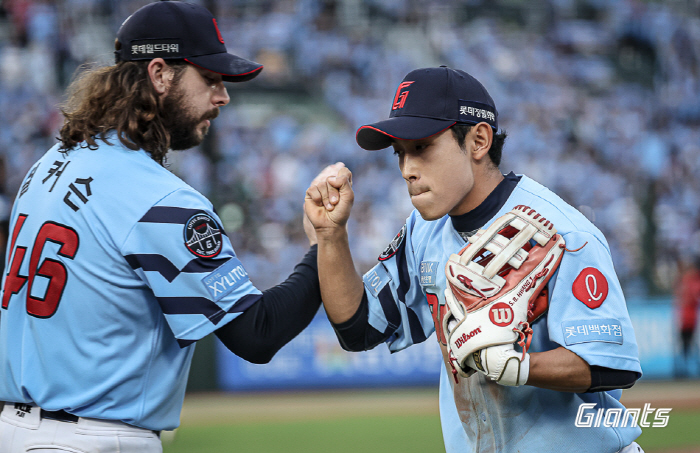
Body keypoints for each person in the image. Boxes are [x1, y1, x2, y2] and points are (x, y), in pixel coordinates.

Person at [0, 2, 331, 452]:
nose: (223, 96)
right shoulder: (160, 197)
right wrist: (324, 249)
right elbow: (257, 334)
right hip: (96, 437)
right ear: (159, 74)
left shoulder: (50, 164)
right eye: (210, 79)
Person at [305, 66, 644, 453]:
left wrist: (519, 366)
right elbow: (359, 328)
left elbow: (611, 363)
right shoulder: (423, 230)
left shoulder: (565, 232)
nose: (407, 170)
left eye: (421, 147)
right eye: (400, 153)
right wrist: (331, 236)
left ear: (479, 140)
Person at [674, 256, 700, 378]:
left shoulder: (688, 280)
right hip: (689, 317)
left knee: (687, 344)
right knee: (687, 343)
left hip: (688, 317)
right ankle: (685, 369)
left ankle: (685, 369)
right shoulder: (690, 280)